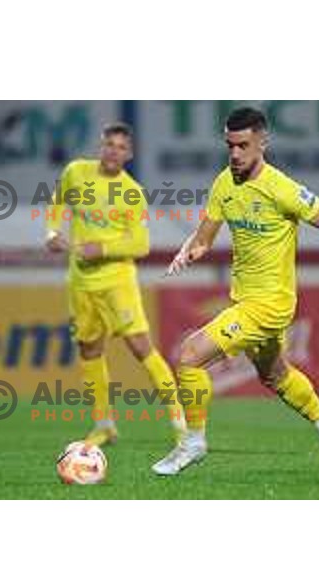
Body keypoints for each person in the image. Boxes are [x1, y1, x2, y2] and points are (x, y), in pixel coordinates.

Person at [152, 107, 319, 478]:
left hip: (271, 304)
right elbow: (205, 238)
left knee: (189, 356)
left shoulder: (281, 189)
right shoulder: (224, 182)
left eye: (243, 145)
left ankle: (191, 444)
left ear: (262, 142)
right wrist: (190, 250)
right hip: (245, 298)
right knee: (274, 376)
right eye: (229, 146)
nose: (235, 154)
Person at [46, 122, 187, 446]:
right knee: (89, 349)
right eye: (109, 144)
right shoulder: (76, 172)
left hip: (117, 281)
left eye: (121, 147)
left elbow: (140, 244)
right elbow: (58, 200)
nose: (114, 151)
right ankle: (104, 424)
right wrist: (52, 232)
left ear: (130, 154)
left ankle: (181, 422)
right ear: (101, 146)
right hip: (81, 282)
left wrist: (103, 249)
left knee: (141, 348)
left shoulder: (131, 192)